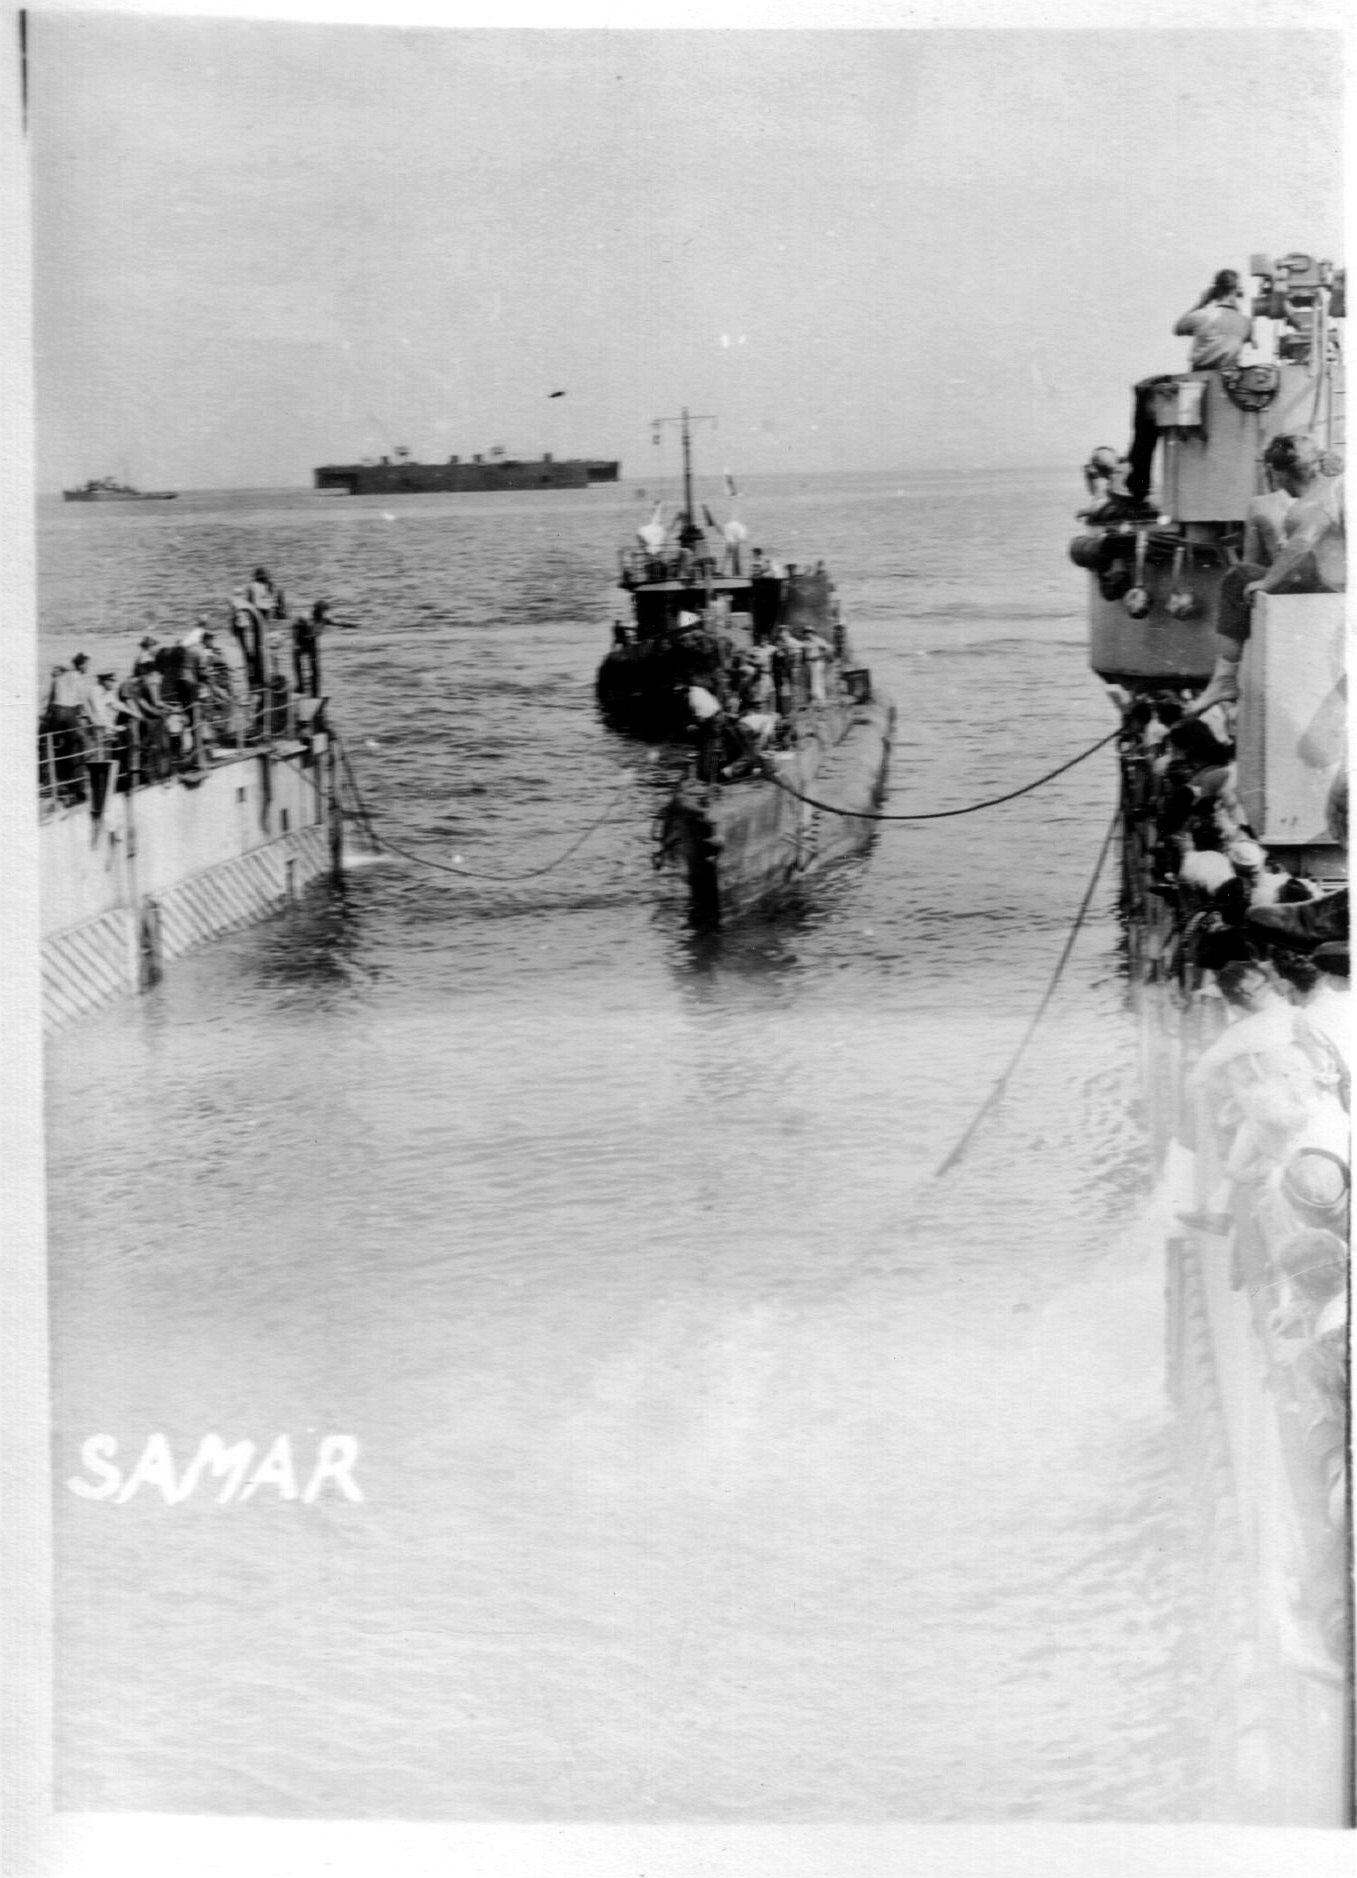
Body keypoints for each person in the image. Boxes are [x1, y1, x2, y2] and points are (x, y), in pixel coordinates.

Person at [1191, 433, 1345, 713]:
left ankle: (1225, 678)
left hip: (1329, 592)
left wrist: (1268, 580)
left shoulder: (1317, 500)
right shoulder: (1334, 487)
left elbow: (1303, 541)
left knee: (1239, 576)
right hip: (1331, 587)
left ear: (1280, 474)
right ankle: (1224, 678)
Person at [1124, 270, 1252, 508]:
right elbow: (1247, 337)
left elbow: (1178, 328)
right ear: (1237, 291)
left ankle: (1138, 485)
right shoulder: (1245, 322)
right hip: (1228, 379)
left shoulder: (1203, 315)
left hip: (1199, 378)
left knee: (1144, 391)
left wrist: (1202, 301)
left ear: (1215, 289)